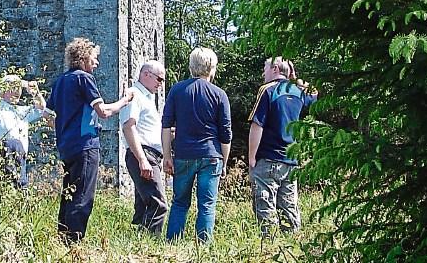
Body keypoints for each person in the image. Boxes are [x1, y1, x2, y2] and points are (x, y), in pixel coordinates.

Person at [48, 37, 134, 244]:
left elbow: (49, 116)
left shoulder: (60, 81)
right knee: (83, 196)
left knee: (68, 193)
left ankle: (62, 239)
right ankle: (74, 243)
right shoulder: (84, 78)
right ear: (84, 57)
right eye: (94, 58)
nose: (96, 63)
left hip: (66, 146)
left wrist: (65, 127)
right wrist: (125, 100)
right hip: (85, 144)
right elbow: (103, 111)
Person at [161, 47, 232, 242]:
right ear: (212, 68)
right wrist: (224, 163)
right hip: (211, 155)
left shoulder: (177, 90)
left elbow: (166, 125)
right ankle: (204, 246)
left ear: (191, 66)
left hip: (184, 154)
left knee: (180, 203)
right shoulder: (219, 94)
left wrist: (167, 156)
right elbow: (226, 134)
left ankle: (172, 243)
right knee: (207, 204)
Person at [248, 56, 318, 237]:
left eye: (265, 68)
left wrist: (251, 158)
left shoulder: (267, 90)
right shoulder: (297, 92)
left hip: (268, 158)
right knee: (289, 208)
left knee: (266, 207)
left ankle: (269, 246)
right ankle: (292, 243)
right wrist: (295, 78)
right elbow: (315, 93)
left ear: (275, 69)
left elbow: (257, 125)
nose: (263, 73)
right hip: (290, 160)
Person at [120, 60, 168, 235]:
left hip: (150, 154)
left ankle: (137, 242)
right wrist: (142, 160)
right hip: (143, 154)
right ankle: (150, 243)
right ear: (146, 74)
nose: (160, 85)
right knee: (158, 204)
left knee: (143, 205)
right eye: (159, 79)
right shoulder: (134, 95)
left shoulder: (146, 97)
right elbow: (128, 127)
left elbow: (147, 129)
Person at [0, 74, 50, 188]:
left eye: (19, 88)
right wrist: (7, 149)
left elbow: (41, 109)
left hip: (20, 163)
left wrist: (35, 92)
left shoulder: (21, 111)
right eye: (13, 88)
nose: (17, 91)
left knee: (20, 198)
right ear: (3, 90)